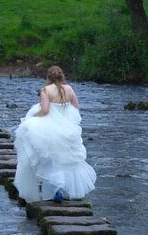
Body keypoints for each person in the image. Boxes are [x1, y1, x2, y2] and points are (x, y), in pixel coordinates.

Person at [13, 66, 97, 203]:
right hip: (66, 129)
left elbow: (45, 110)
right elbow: (76, 108)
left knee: (49, 160)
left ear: (48, 77)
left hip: (49, 129)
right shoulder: (69, 89)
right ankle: (63, 189)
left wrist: (34, 115)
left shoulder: (45, 90)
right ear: (62, 76)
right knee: (64, 161)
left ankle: (53, 190)